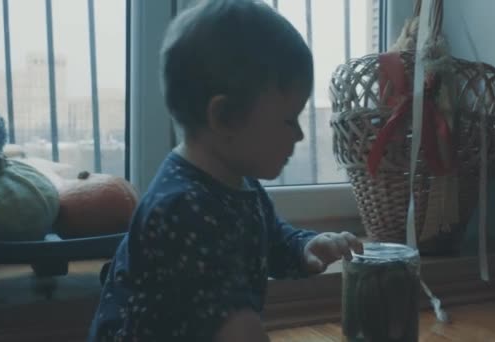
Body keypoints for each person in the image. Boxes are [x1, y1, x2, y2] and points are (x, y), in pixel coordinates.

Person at [87, 0, 363, 341]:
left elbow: (270, 240)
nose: (299, 135)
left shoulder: (237, 184)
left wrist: (305, 247)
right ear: (225, 117)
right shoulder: (182, 208)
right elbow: (234, 327)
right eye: (288, 120)